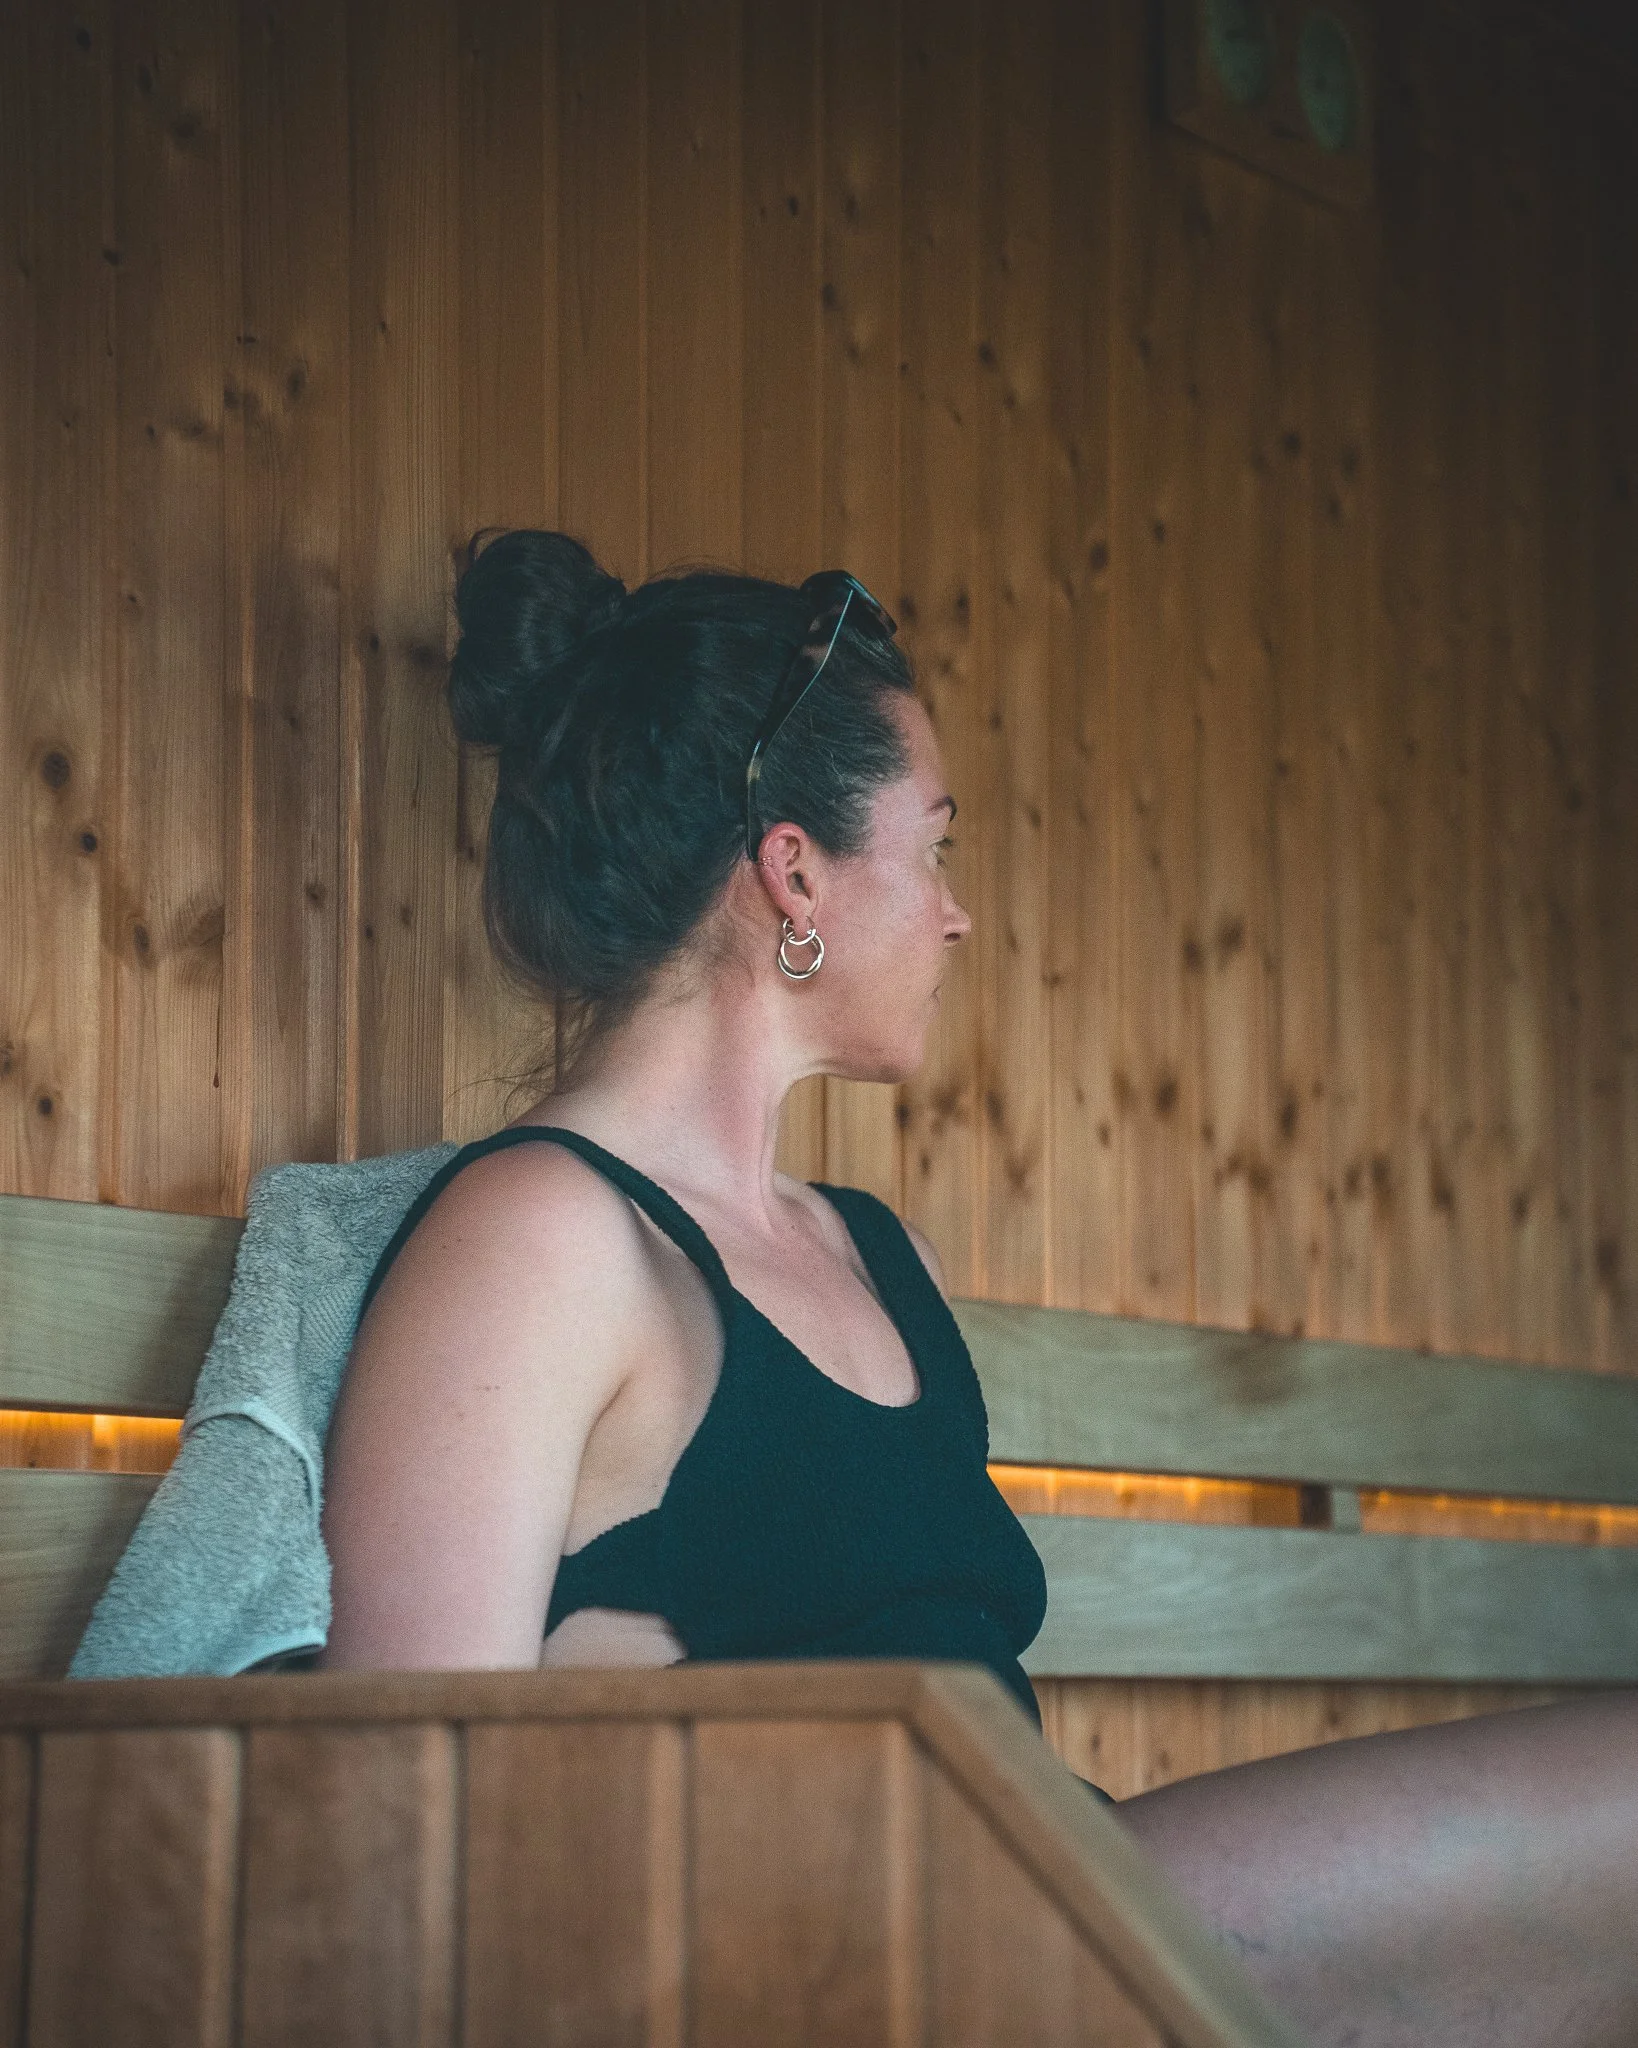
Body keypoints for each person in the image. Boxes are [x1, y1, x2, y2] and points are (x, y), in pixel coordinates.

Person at [319, 531, 1638, 2048]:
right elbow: (391, 1816)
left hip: (1032, 1902)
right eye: (934, 848)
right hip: (839, 1967)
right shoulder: (543, 1238)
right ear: (794, 872)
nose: (953, 913)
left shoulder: (880, 1257)